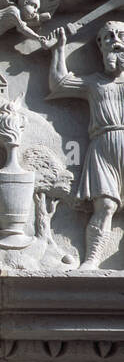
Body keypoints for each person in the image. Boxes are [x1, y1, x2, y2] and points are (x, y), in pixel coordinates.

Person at [47, 20, 124, 269]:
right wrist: (59, 48)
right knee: (104, 206)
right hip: (103, 146)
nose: (116, 42)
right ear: (100, 45)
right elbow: (59, 83)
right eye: (109, 38)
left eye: (121, 36)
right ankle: (92, 260)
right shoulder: (94, 83)